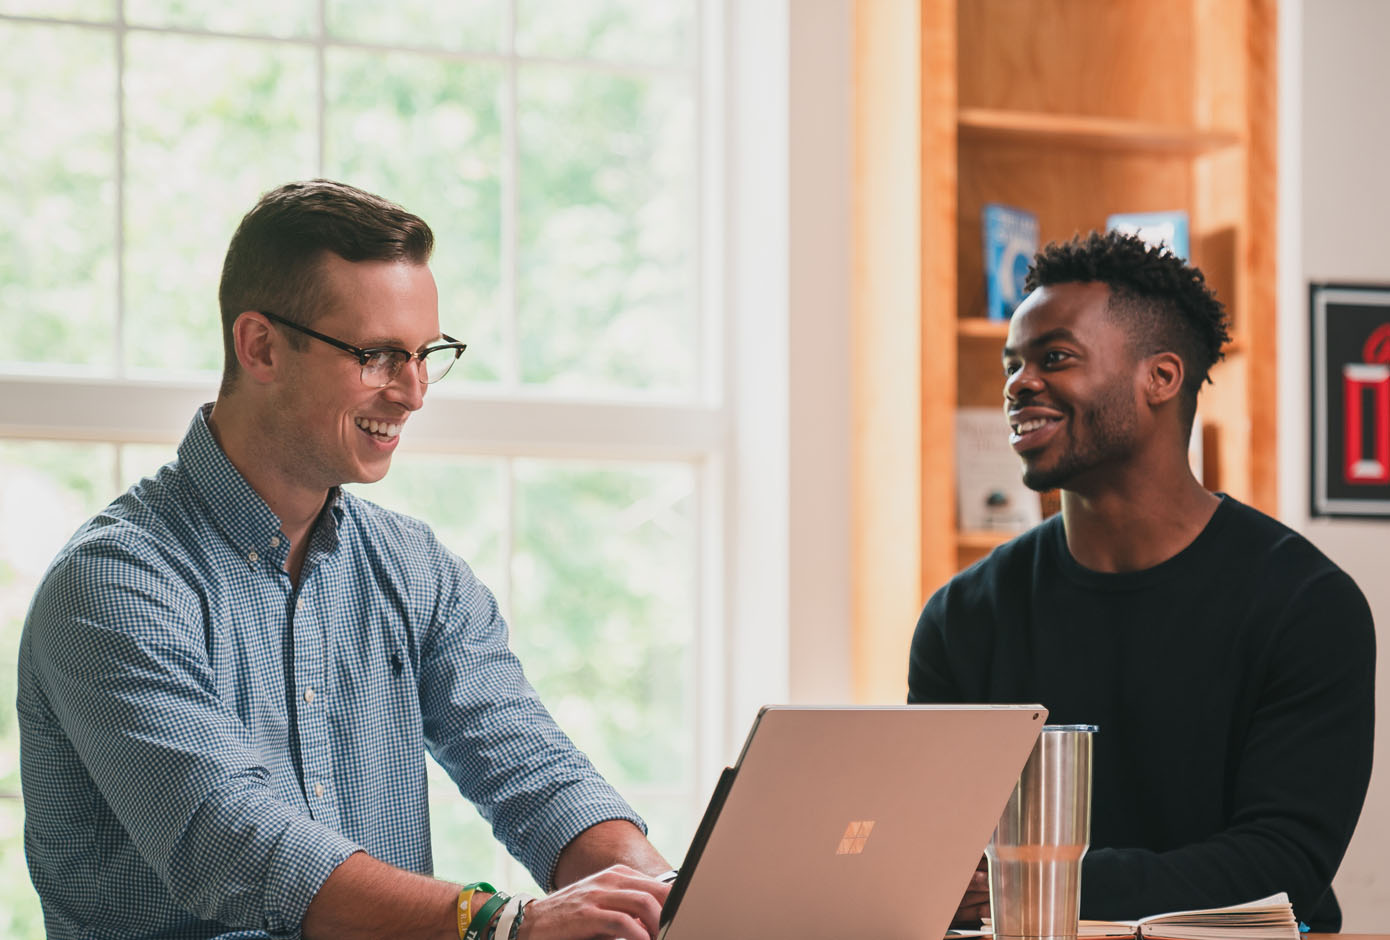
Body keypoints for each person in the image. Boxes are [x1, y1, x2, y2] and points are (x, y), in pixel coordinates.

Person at [18, 179, 675, 940]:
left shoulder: (415, 570)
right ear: (260, 346)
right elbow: (234, 841)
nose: (414, 392)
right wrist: (504, 925)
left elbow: (531, 769)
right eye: (377, 356)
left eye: (427, 354)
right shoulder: (114, 586)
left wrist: (658, 891)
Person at [908, 231, 1375, 931]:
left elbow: (1281, 865)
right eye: (1013, 364)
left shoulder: (1306, 605)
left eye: (1054, 358)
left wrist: (1036, 881)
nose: (1018, 383)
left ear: (1161, 378)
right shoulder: (964, 616)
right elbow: (931, 856)